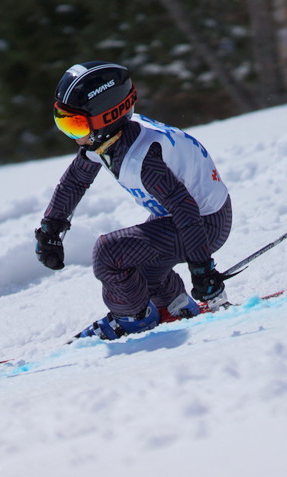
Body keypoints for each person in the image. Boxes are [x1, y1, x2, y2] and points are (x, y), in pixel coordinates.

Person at [35, 61, 232, 341]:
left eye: (75, 125)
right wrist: (51, 226)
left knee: (109, 253)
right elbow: (76, 180)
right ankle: (172, 305)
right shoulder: (107, 139)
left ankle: (132, 319)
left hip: (204, 224)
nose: (72, 136)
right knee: (139, 267)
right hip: (182, 217)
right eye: (63, 123)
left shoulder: (143, 159)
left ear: (106, 117)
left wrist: (203, 270)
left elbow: (186, 210)